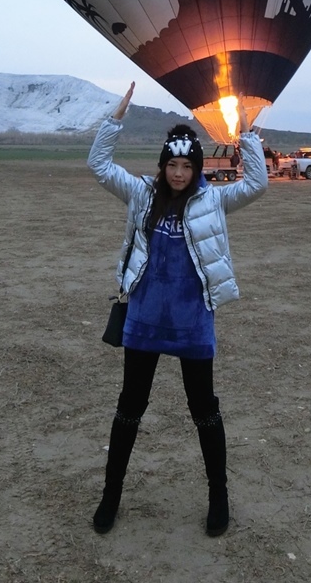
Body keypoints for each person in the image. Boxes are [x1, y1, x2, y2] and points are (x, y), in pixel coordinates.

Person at [87, 83, 268, 537]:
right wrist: (115, 119)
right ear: (163, 165)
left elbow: (257, 184)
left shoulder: (214, 199)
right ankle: (111, 496)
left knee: (204, 409)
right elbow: (99, 165)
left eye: (188, 166)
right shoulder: (142, 195)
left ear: (198, 168)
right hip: (144, 321)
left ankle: (218, 497)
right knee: (130, 407)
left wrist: (246, 134)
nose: (179, 173)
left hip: (192, 324)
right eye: (173, 165)